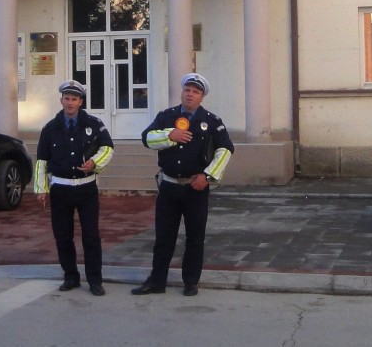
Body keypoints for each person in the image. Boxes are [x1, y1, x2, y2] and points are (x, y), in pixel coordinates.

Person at [131, 73, 234, 297]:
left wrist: (207, 176)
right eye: (187, 90)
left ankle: (190, 281)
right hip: (169, 187)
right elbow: (147, 138)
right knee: (163, 237)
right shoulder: (166, 116)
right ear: (181, 92)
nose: (190, 94)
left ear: (202, 97)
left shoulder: (212, 121)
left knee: (195, 237)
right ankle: (157, 281)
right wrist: (170, 135)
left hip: (195, 188)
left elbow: (225, 150)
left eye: (195, 92)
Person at [34, 80, 115, 296]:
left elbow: (108, 148)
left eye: (74, 99)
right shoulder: (50, 128)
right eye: (67, 99)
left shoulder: (94, 124)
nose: (70, 103)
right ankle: (70, 276)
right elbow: (42, 160)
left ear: (81, 102)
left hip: (86, 189)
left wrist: (94, 162)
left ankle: (95, 280)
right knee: (63, 236)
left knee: (91, 236)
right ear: (61, 100)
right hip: (60, 189)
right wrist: (41, 188)